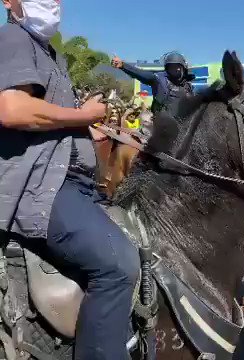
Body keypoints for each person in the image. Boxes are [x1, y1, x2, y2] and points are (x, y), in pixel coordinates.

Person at [0, 1, 140, 359]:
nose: (53, 3)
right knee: (119, 264)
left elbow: (50, 122)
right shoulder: (15, 38)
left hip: (74, 184)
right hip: (44, 188)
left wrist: (83, 128)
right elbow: (12, 109)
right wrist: (82, 114)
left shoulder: (51, 55)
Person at [111, 51, 194, 114]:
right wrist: (123, 65)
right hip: (161, 126)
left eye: (178, 67)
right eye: (172, 67)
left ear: (184, 68)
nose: (175, 70)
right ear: (167, 68)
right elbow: (142, 74)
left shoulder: (188, 86)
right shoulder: (159, 80)